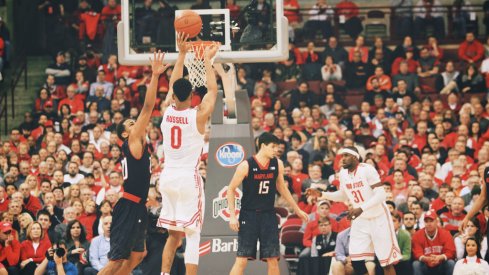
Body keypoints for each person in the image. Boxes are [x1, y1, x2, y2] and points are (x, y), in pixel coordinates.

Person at [97, 50, 170, 275]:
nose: (135, 123)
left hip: (137, 205)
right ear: (126, 134)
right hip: (128, 206)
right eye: (130, 123)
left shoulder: (138, 145)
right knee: (116, 260)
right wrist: (156, 75)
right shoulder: (133, 142)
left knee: (139, 254)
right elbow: (148, 108)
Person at [157, 33, 219, 275]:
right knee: (193, 234)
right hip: (187, 179)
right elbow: (212, 91)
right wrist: (206, 61)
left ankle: (164, 273)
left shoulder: (167, 112)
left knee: (174, 235)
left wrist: (182, 54)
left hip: (167, 177)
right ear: (192, 94)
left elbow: (175, 83)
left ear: (173, 96)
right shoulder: (198, 115)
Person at [308, 146, 401, 275]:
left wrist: (361, 208)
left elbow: (381, 195)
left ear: (355, 157)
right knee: (356, 260)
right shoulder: (343, 173)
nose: (342, 159)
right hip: (361, 218)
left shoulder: (367, 169)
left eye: (346, 155)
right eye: (341, 156)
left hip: (378, 217)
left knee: (385, 262)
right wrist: (322, 194)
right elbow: (343, 195)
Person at [226, 132, 308, 275]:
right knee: (242, 259)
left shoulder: (278, 164)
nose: (277, 150)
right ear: (263, 146)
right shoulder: (246, 165)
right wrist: (232, 216)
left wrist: (297, 209)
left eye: (277, 147)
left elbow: (282, 188)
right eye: (273, 147)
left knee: (272, 259)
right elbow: (231, 189)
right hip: (248, 215)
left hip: (268, 215)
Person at [411, 210, 456, 274]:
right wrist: (426, 258)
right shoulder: (417, 235)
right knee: (416, 264)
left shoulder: (446, 234)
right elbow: (417, 253)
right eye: (426, 221)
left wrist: (440, 257)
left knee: (450, 263)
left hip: (441, 264)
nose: (429, 224)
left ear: (436, 221)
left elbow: (451, 252)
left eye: (431, 221)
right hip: (425, 264)